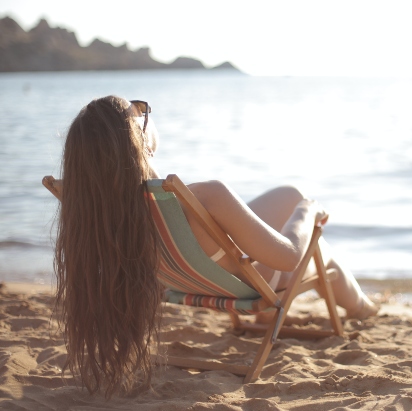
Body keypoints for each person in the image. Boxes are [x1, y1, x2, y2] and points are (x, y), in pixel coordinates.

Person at [54, 95, 378, 398]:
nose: (146, 115)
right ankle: (363, 308)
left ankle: (341, 306)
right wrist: (308, 211)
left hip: (198, 278)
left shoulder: (105, 210)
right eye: (140, 112)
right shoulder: (206, 196)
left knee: (287, 194)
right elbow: (289, 256)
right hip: (254, 284)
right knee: (322, 255)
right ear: (138, 140)